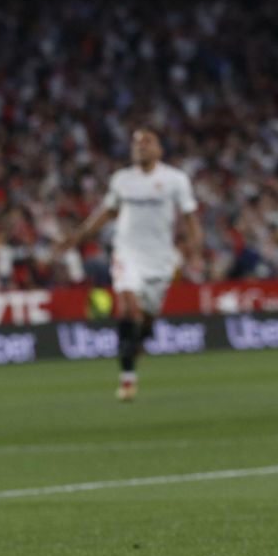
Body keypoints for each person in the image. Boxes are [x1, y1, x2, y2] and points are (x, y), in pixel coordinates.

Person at [57, 128, 201, 401]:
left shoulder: (175, 180)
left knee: (146, 319)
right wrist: (77, 236)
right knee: (127, 306)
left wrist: (195, 248)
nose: (141, 148)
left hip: (160, 259)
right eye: (136, 144)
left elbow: (190, 216)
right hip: (127, 253)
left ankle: (141, 338)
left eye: (147, 143)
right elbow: (107, 212)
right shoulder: (122, 180)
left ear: (159, 149)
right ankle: (127, 380)